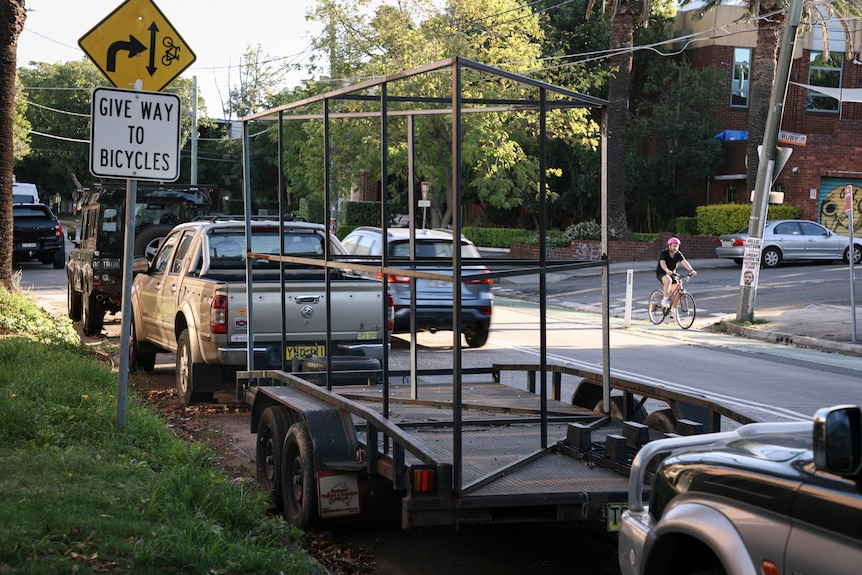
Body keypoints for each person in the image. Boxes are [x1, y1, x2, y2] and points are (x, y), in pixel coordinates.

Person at [655, 237, 696, 308]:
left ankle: (673, 309)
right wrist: (667, 270)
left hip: (672, 274)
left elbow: (684, 262)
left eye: (677, 246)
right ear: (669, 246)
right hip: (662, 273)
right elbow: (662, 263)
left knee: (678, 293)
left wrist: (691, 270)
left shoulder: (678, 254)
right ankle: (665, 299)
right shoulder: (664, 253)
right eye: (674, 246)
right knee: (668, 280)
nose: (675, 248)